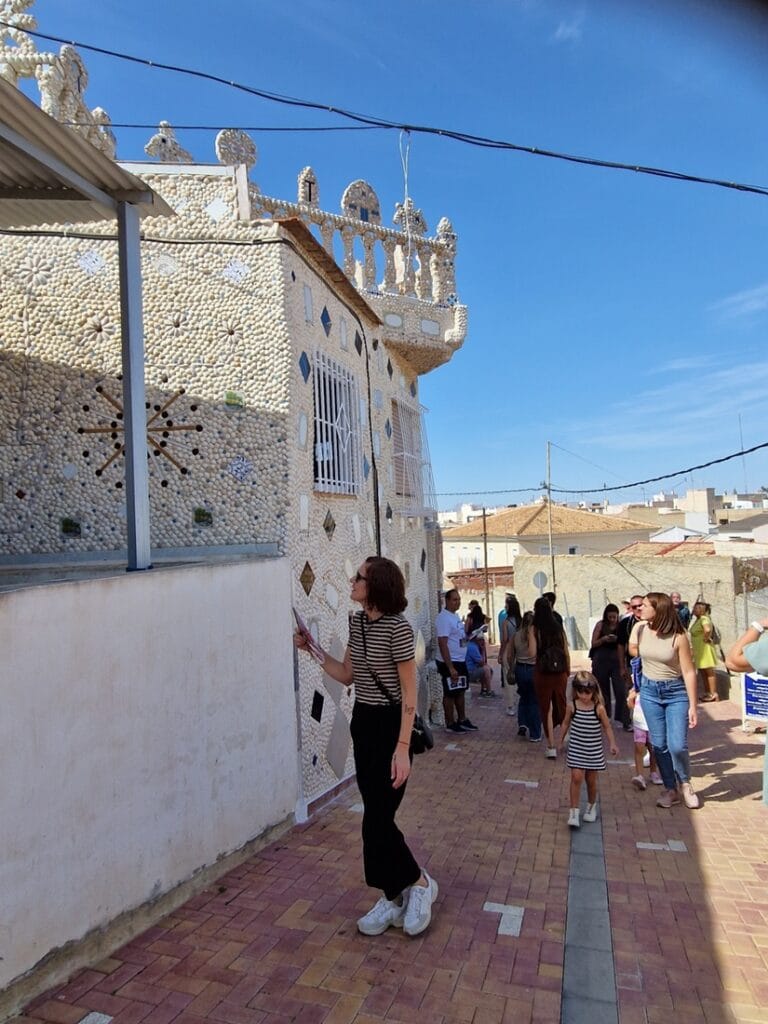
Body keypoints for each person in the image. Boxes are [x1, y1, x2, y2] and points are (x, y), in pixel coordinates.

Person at [293, 556, 437, 936]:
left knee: (379, 818)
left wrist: (402, 748)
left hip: (393, 725)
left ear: (375, 587)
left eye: (359, 577)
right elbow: (346, 674)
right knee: (374, 817)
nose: (352, 581)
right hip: (364, 723)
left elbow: (409, 694)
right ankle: (393, 896)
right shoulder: (356, 624)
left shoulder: (399, 631)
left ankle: (419, 883)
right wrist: (312, 649)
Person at [629, 592, 699, 810]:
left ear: (658, 610)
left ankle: (685, 783)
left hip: (675, 692)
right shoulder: (640, 630)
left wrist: (693, 706)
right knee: (658, 744)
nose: (640, 609)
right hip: (650, 692)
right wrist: (635, 688)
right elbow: (637, 661)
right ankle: (671, 789)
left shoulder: (679, 637)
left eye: (645, 606)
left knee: (677, 744)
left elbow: (688, 671)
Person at [558, 671, 618, 828]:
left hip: (593, 749)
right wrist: (561, 739)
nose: (584, 696)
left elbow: (607, 727)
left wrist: (612, 743)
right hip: (577, 747)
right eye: (580, 692)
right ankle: (574, 811)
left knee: (591, 781)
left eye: (587, 693)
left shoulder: (599, 709)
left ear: (593, 691)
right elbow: (565, 723)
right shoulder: (572, 707)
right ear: (575, 691)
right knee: (576, 777)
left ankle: (591, 805)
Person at [530, 596, 570, 759]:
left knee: (546, 708)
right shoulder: (558, 627)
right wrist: (567, 670)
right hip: (560, 671)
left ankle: (551, 745)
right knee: (561, 703)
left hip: (543, 671)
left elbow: (532, 653)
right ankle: (565, 738)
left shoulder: (534, 629)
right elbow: (566, 650)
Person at [435, 589, 478, 733]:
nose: (457, 602)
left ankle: (462, 719)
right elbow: (442, 643)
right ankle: (450, 722)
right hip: (450, 662)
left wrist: (471, 637)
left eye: (459, 599)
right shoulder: (444, 618)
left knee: (460, 690)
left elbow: (459, 640)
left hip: (460, 660)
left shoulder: (456, 617)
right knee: (450, 692)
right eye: (454, 600)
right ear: (447, 601)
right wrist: (450, 667)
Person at [626, 677, 662, 789]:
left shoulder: (655, 690)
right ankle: (640, 775)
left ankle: (653, 772)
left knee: (653, 749)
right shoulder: (635, 690)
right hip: (639, 723)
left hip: (652, 723)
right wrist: (631, 699)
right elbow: (630, 705)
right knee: (639, 748)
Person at [590, 604, 624, 723]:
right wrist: (603, 639)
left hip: (617, 659)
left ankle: (622, 717)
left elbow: (625, 642)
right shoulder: (600, 625)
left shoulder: (621, 625)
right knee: (602, 690)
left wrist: (617, 639)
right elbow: (593, 643)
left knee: (620, 690)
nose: (612, 620)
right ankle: (604, 715)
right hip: (601, 659)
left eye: (614, 617)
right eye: (610, 617)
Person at [615, 596, 644, 731]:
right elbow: (620, 646)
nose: (638, 609)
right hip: (632, 664)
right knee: (628, 692)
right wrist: (621, 666)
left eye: (640, 605)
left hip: (651, 664)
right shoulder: (625, 623)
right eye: (634, 607)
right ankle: (627, 722)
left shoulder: (654, 621)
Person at [513, 611, 542, 741]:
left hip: (519, 667)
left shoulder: (516, 634)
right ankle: (535, 733)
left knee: (524, 697)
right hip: (532, 668)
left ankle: (522, 723)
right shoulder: (535, 634)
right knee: (534, 701)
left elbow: (509, 654)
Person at [690, 600, 719, 702]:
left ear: (701, 610)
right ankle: (707, 692)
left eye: (696, 608)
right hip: (699, 649)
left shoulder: (704, 619)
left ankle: (713, 693)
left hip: (704, 648)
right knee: (702, 672)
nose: (694, 610)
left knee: (709, 671)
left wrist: (706, 638)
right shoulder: (697, 620)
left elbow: (707, 629)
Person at [498, 594, 522, 716]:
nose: (505, 607)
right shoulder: (521, 622)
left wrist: (500, 654)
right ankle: (520, 701)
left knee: (508, 679)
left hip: (508, 650)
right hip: (520, 651)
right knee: (520, 677)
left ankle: (510, 705)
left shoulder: (506, 622)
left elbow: (504, 640)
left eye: (506, 606)